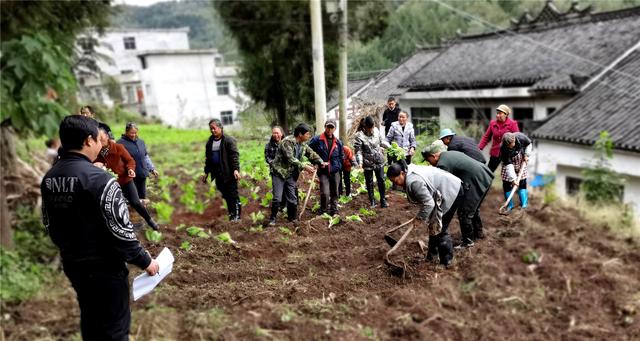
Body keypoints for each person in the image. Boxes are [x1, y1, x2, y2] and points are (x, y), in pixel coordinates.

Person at [41, 115, 159, 340]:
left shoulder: (49, 178)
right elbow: (122, 232)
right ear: (88, 141)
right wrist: (146, 261)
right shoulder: (100, 180)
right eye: (98, 140)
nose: (100, 145)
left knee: (91, 319)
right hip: (105, 269)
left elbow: (49, 224)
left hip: (73, 264)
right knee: (115, 329)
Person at [387, 161, 463, 267]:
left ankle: (447, 262)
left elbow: (429, 204)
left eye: (396, 180)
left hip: (451, 190)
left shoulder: (414, 182)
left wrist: (419, 218)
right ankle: (432, 256)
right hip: (441, 191)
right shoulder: (407, 170)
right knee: (433, 225)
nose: (395, 184)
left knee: (440, 228)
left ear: (402, 174)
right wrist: (422, 215)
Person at [423, 140, 494, 246]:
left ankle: (468, 242)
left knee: (464, 213)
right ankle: (478, 234)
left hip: (476, 180)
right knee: (472, 210)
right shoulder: (448, 154)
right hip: (484, 174)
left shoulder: (443, 163)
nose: (429, 163)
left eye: (428, 160)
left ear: (434, 156)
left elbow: (444, 187)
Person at [95, 124, 159, 230]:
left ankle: (149, 220)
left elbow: (130, 160)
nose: (100, 142)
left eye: (101, 139)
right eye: (97, 140)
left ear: (106, 136)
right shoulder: (96, 152)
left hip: (125, 180)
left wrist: (130, 169)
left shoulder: (118, 148)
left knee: (135, 202)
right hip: (109, 184)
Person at [269, 123, 325, 225]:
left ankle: (292, 219)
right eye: (307, 134)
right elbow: (290, 158)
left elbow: (311, 153)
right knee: (277, 197)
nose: (309, 136)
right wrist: (304, 166)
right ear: (300, 134)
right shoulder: (287, 142)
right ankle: (272, 218)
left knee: (292, 198)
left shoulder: (302, 144)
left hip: (290, 174)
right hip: (279, 173)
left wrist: (321, 162)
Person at [201, 119, 241, 221]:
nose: (212, 131)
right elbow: (208, 159)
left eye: (214, 128)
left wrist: (236, 169)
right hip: (217, 173)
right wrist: (206, 172)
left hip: (228, 172)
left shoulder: (228, 140)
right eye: (211, 129)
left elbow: (234, 156)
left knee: (233, 194)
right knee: (226, 195)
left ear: (220, 128)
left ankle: (237, 216)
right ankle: (232, 214)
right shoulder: (210, 142)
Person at [309, 119, 344, 215]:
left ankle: (334, 209)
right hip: (323, 170)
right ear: (325, 127)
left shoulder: (338, 142)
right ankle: (323, 210)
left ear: (335, 129)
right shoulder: (317, 140)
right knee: (325, 192)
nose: (329, 129)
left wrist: (339, 165)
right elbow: (308, 150)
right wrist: (315, 161)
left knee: (335, 192)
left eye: (331, 127)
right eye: (328, 127)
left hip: (335, 170)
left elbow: (342, 156)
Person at [353, 116, 390, 208]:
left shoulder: (377, 131)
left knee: (381, 180)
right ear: (365, 126)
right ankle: (372, 201)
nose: (371, 130)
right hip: (367, 162)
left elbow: (382, 142)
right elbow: (358, 151)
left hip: (379, 160)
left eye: (372, 127)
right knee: (369, 182)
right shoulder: (359, 136)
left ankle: (383, 200)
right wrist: (360, 163)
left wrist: (390, 147)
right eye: (369, 128)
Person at [118, 122, 159, 200]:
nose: (133, 135)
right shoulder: (120, 143)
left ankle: (141, 210)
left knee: (142, 197)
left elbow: (145, 156)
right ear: (126, 132)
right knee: (133, 198)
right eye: (131, 133)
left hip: (141, 173)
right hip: (129, 175)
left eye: (135, 133)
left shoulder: (141, 142)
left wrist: (152, 169)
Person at [478, 104, 519, 172]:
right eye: (497, 113)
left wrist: (518, 152)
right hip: (495, 153)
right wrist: (479, 148)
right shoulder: (492, 123)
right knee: (488, 172)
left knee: (508, 174)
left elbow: (518, 138)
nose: (497, 115)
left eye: (500, 113)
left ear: (506, 114)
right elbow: (486, 137)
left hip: (508, 154)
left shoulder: (512, 124)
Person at [500, 132, 532, 211]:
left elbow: (529, 144)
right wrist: (513, 179)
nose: (513, 145)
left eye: (513, 142)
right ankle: (510, 206)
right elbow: (508, 164)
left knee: (522, 182)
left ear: (514, 139)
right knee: (507, 184)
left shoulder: (521, 137)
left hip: (520, 161)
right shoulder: (503, 149)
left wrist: (526, 155)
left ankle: (524, 205)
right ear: (506, 144)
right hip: (509, 165)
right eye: (510, 144)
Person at [265, 126, 284, 209]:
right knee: (277, 194)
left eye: (277, 133)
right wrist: (273, 163)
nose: (275, 135)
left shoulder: (286, 144)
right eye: (274, 133)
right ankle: (275, 212)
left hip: (287, 172)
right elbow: (267, 158)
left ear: (281, 134)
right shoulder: (268, 145)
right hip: (275, 172)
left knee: (289, 192)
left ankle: (285, 207)